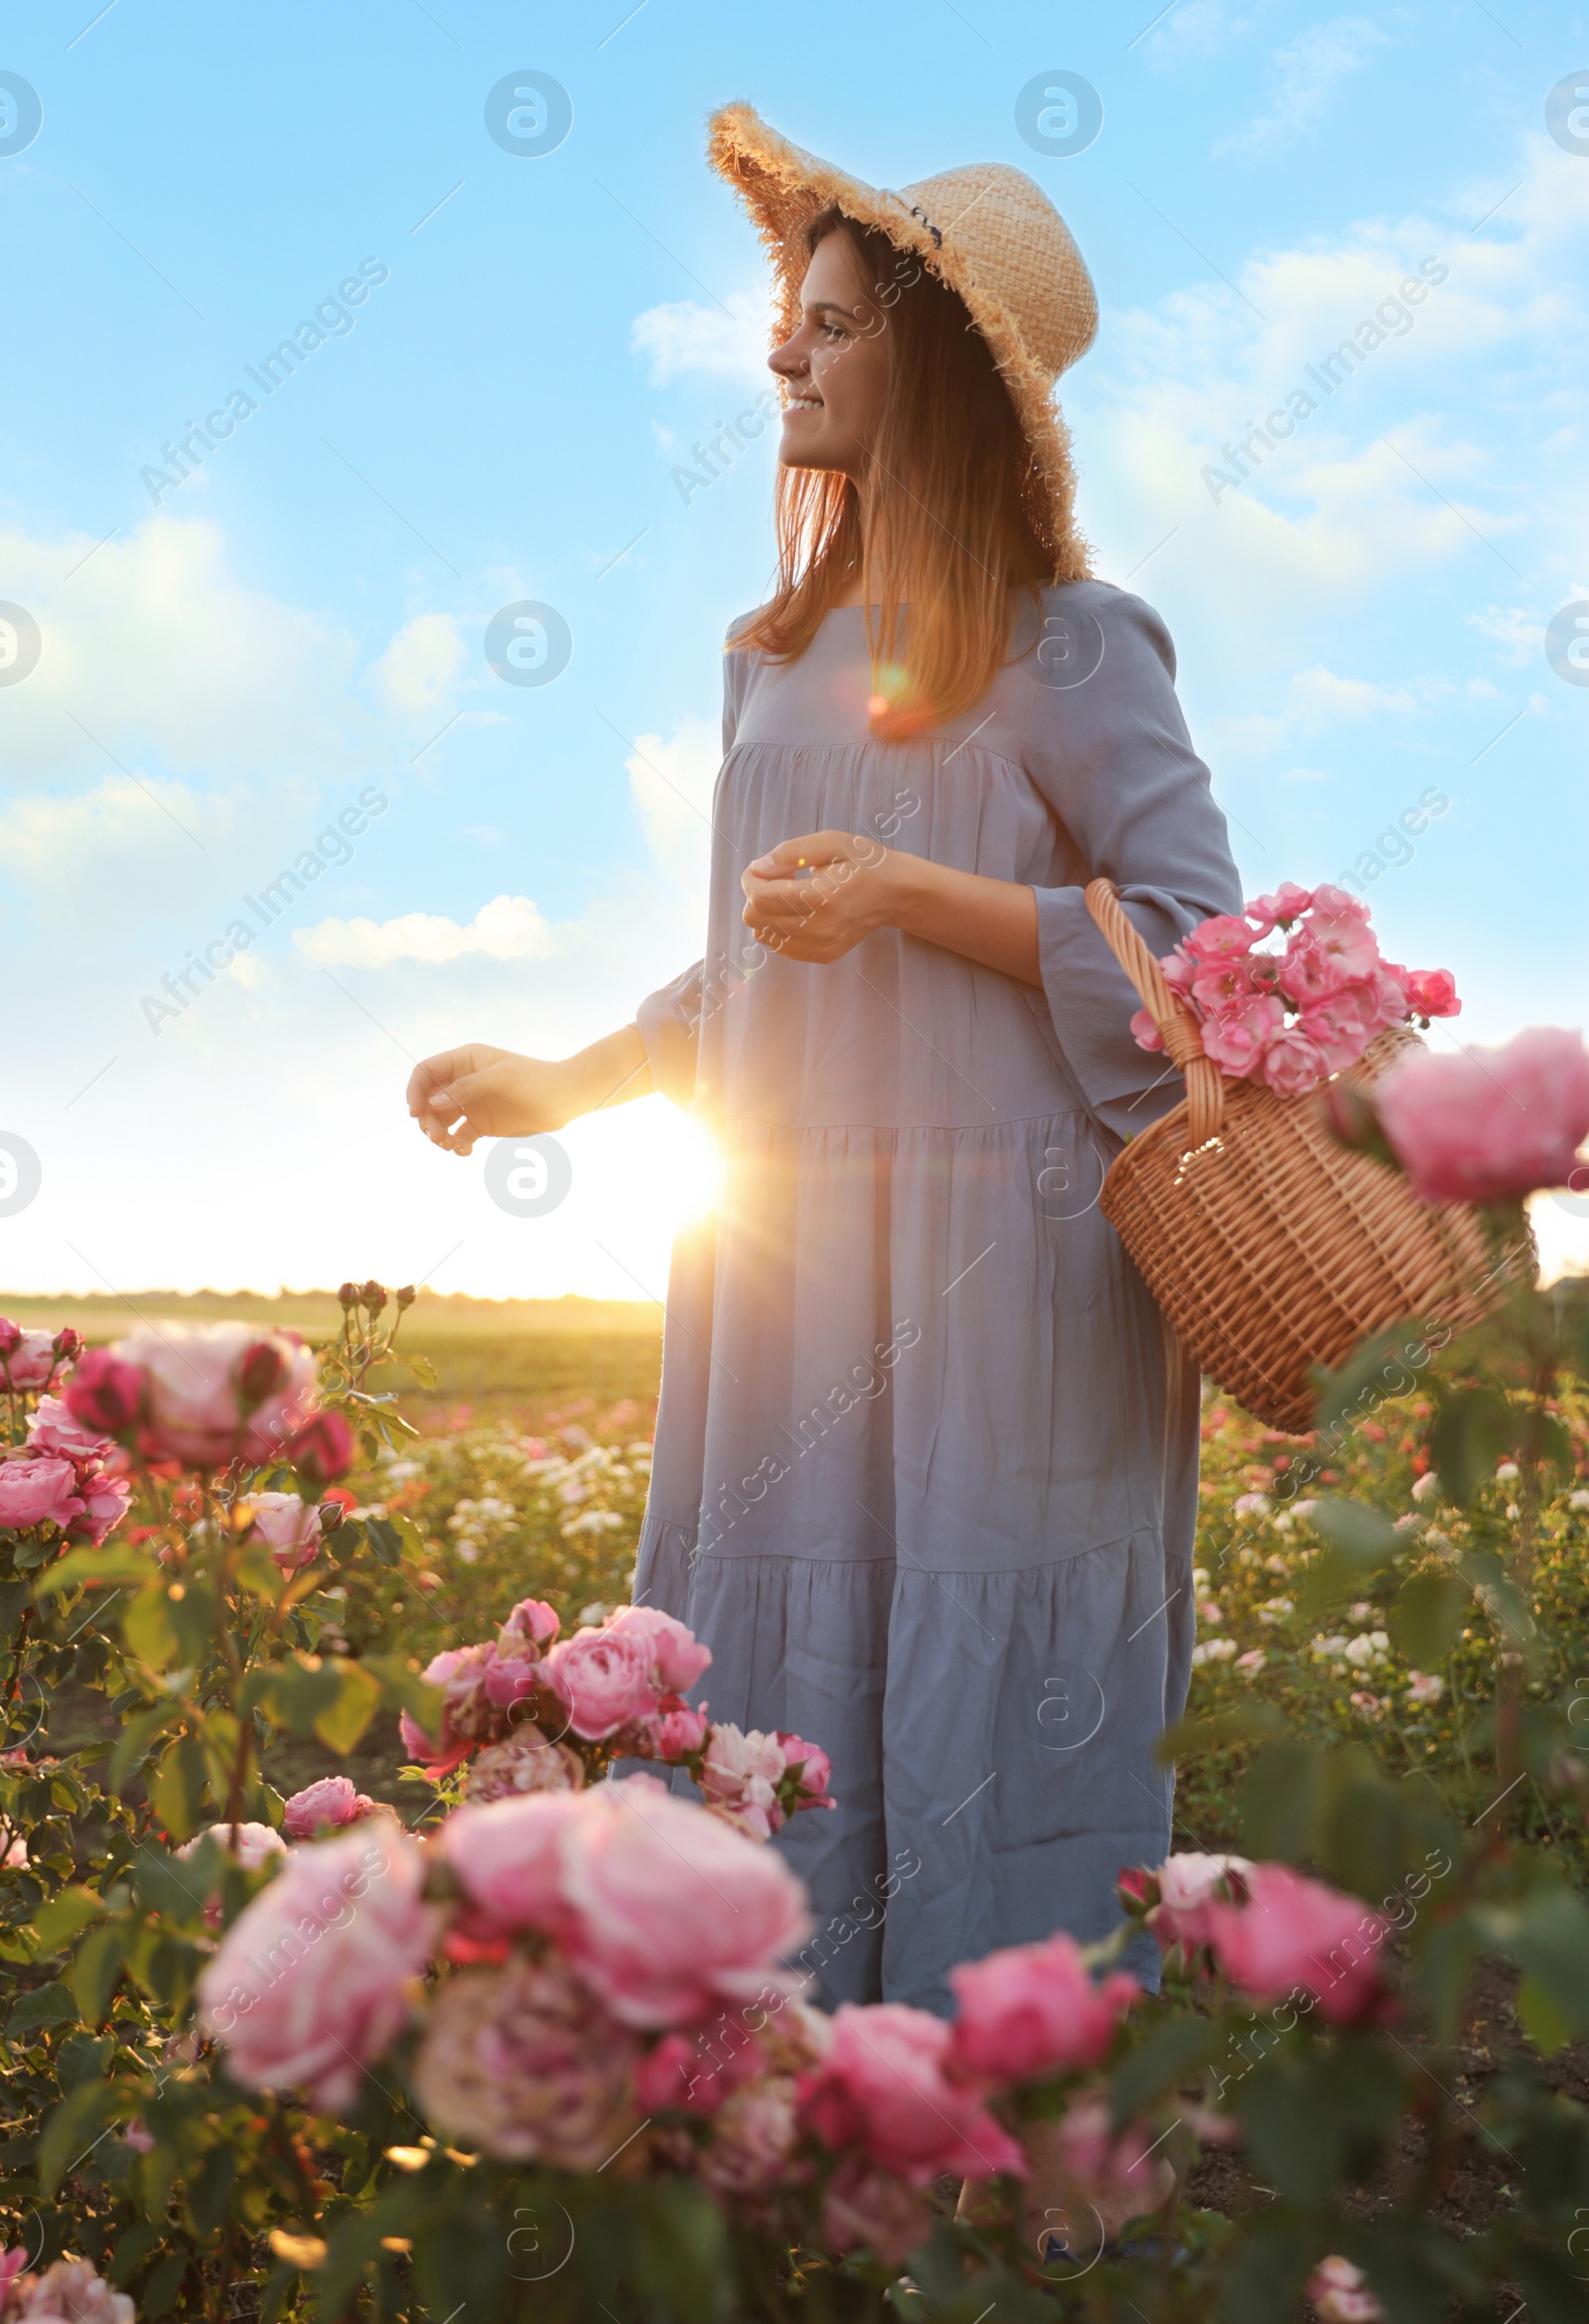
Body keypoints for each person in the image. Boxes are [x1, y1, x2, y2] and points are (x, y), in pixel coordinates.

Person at [406, 102, 1241, 2010]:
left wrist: (914, 896)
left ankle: (991, 2169)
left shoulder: (1084, 645)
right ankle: (780, 2153)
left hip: (1010, 1286)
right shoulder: (769, 652)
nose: (785, 347)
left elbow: (1205, 961)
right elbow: (754, 969)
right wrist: (568, 1078)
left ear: (937, 374)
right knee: (770, 1701)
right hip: (788, 1277)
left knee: (986, 1696)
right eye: (793, 311)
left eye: (838, 318)